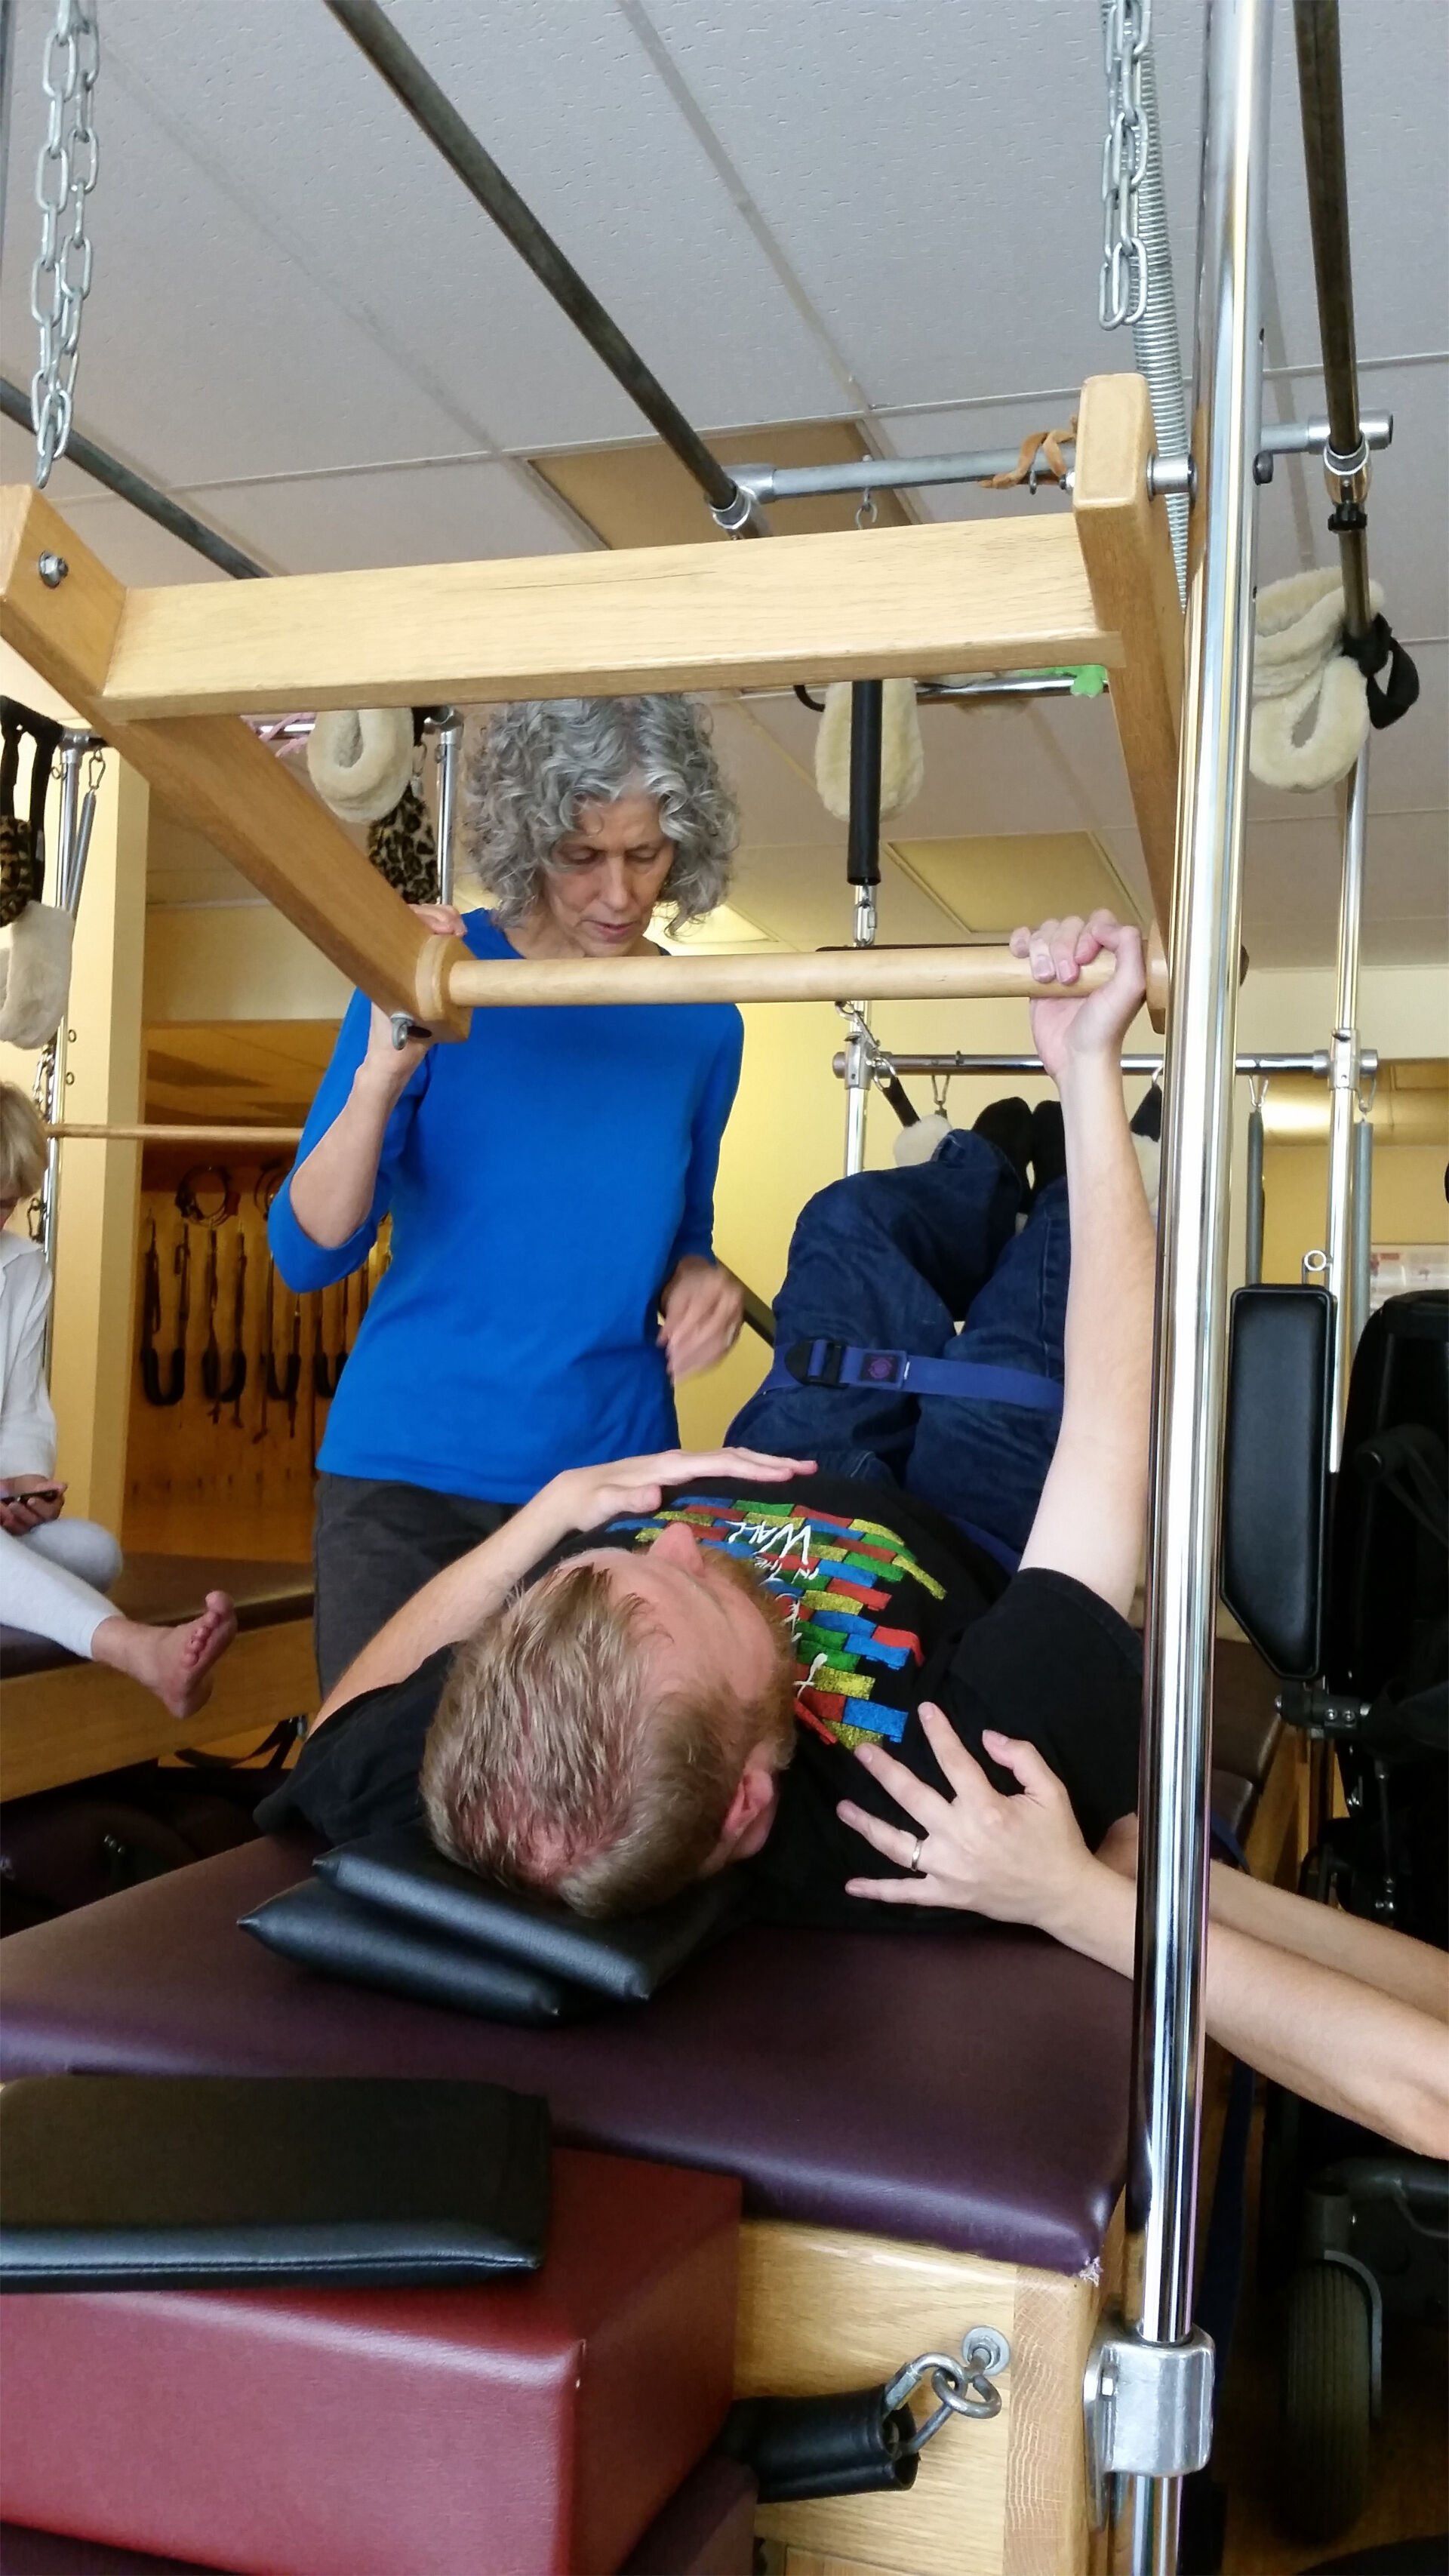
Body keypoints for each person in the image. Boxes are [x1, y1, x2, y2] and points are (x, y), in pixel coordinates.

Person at [260, 909, 1149, 1917]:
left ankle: (982, 1163)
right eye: (703, 1600)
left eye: (610, 1568)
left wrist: (555, 1510)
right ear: (748, 1810)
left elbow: (339, 1727)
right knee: (1061, 1257)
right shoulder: (928, 1806)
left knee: (847, 1224)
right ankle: (1054, 1171)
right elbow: (1112, 1436)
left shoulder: (489, 1777)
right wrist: (1088, 1077)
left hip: (791, 1452)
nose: (681, 1547)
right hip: (971, 1511)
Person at [269, 696, 748, 1697]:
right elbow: (309, 1252)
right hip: (411, 1471)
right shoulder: (438, 975)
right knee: (376, 1799)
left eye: (648, 854)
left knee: (589, 1819)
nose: (619, 892)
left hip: (607, 1473)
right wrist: (381, 1075)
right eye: (582, 856)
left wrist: (707, 1277)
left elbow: (681, 1231)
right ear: (532, 839)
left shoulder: (702, 1021)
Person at [0, 1084, 235, 1714]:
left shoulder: (23, 1269)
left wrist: (22, 1481)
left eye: (6, 1206)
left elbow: (21, 1408)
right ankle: (138, 1649)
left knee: (93, 1551)